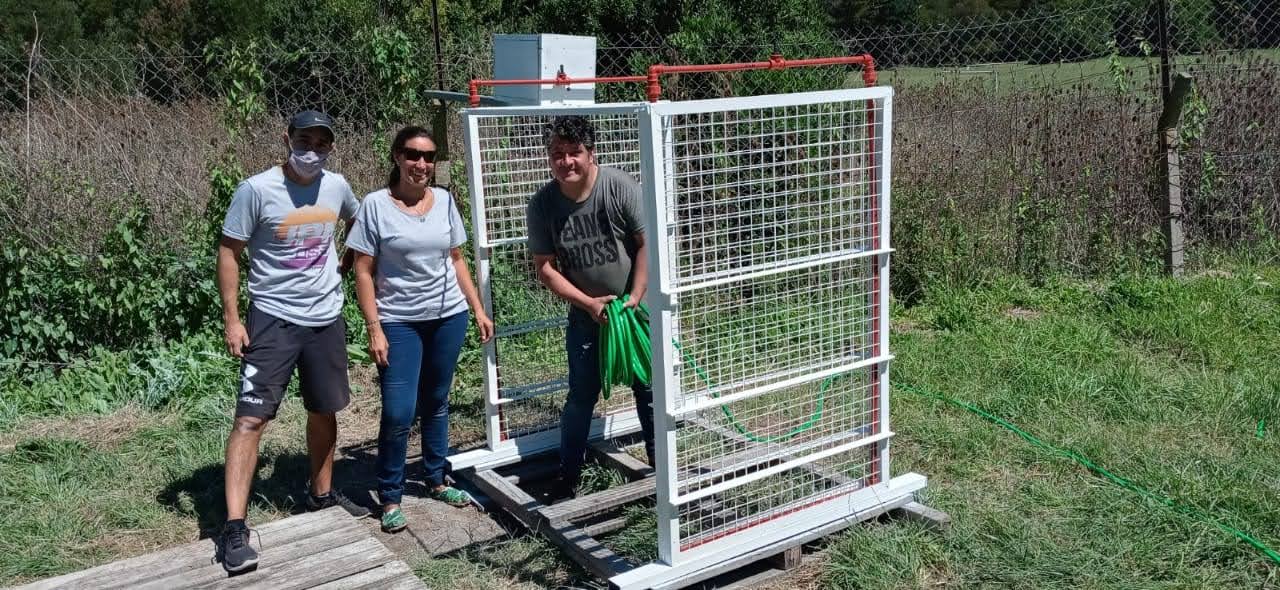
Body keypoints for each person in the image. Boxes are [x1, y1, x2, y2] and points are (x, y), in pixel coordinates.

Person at [216, 110, 370, 574]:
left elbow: (359, 224)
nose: (312, 151)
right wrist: (232, 319)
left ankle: (321, 495)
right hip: (273, 320)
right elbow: (229, 251)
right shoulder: (256, 190)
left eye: (322, 144)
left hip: (325, 318)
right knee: (250, 420)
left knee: (324, 409)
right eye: (305, 141)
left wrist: (344, 265)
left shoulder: (337, 186)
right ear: (287, 139)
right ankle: (234, 528)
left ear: (331, 148)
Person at [347, 126, 494, 533]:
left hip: (448, 316)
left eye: (429, 157)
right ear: (397, 156)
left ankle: (436, 477)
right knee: (399, 411)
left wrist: (477, 308)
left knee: (437, 400)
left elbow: (456, 258)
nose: (422, 164)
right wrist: (374, 327)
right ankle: (390, 495)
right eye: (413, 154)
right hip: (398, 321)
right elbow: (363, 271)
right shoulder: (375, 205)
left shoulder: (444, 200)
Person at [525, 115, 656, 499]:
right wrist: (587, 304)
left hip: (634, 314)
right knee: (580, 397)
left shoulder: (618, 186)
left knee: (649, 389)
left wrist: (634, 297)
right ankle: (567, 479)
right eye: (557, 154)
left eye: (574, 152)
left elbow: (646, 244)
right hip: (587, 316)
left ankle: (661, 471)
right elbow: (545, 268)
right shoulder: (543, 205)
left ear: (591, 153)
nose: (566, 161)